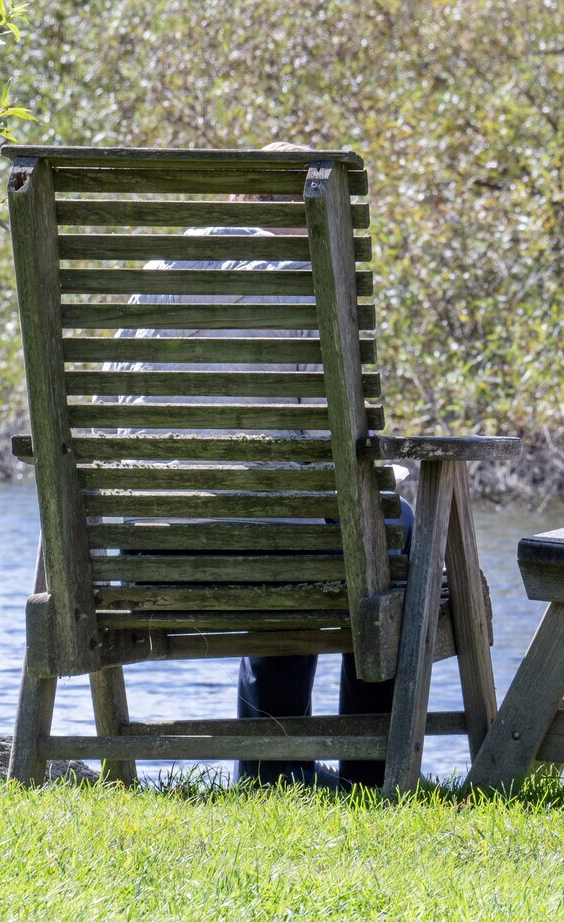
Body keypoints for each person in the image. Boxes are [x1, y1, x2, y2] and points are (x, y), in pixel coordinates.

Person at [115, 142, 408, 790]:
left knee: (282, 518)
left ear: (239, 195)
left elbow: (122, 402)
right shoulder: (309, 283)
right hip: (286, 536)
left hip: (149, 546)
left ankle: (273, 768)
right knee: (387, 526)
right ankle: (366, 772)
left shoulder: (157, 269)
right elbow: (332, 433)